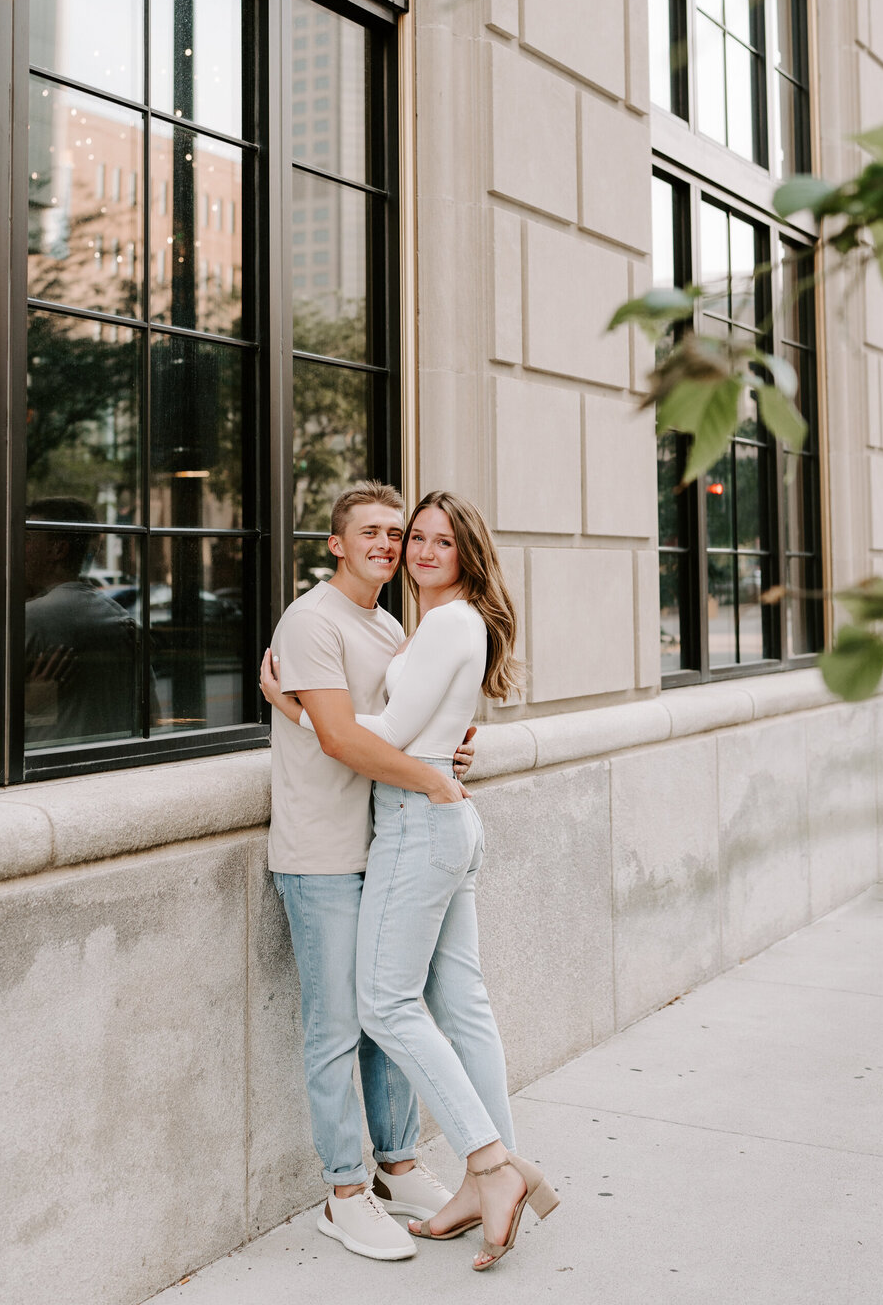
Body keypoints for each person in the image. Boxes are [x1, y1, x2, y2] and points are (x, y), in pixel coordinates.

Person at [262, 490, 559, 1272]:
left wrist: (430, 771)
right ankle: (359, 1189)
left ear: (464, 554)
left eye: (425, 538)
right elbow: (370, 734)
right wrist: (434, 766)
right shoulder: (319, 621)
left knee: (394, 1008)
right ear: (335, 543)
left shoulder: (414, 625)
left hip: (409, 823)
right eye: (393, 534)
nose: (407, 549)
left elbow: (380, 734)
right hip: (337, 843)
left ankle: (469, 1166)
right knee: (377, 1016)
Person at [24, 497, 151, 743]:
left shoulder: (26, 621)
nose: (19, 547)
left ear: (58, 550)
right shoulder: (124, 623)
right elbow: (151, 715)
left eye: (28, 539)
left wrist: (29, 703)